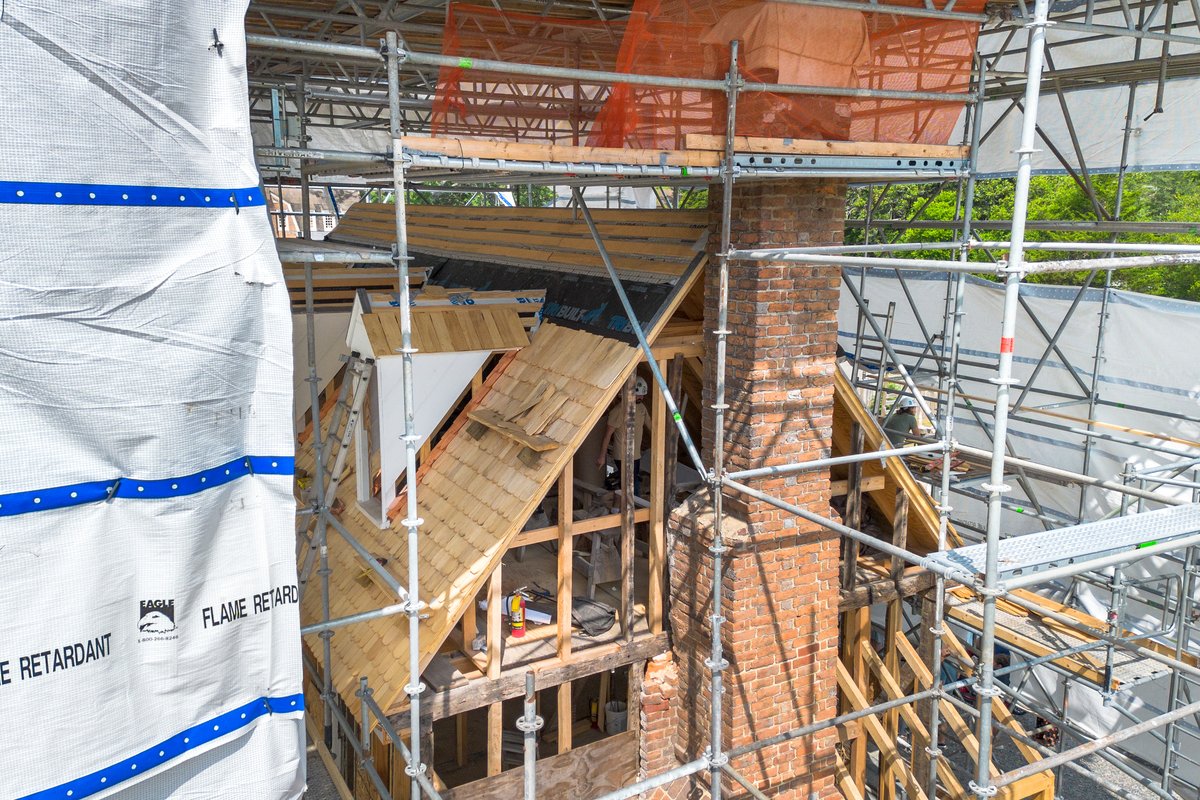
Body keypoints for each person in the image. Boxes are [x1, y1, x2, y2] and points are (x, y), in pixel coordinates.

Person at [597, 377, 652, 496]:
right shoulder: (618, 411)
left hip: (636, 454)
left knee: (633, 482)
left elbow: (652, 427)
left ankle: (622, 509)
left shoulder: (641, 408)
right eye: (638, 395)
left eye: (642, 395)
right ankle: (632, 509)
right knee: (630, 484)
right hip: (622, 455)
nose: (641, 398)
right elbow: (607, 436)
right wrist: (602, 456)